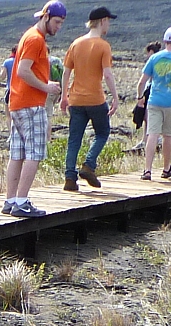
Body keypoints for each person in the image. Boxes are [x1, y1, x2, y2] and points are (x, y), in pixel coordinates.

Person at [1, 0, 65, 217]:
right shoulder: (36, 40)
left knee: (17, 153)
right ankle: (21, 202)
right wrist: (46, 87)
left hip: (17, 104)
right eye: (56, 22)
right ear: (45, 17)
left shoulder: (29, 36)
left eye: (61, 23)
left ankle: (10, 200)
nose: (58, 27)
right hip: (30, 104)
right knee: (35, 152)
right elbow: (23, 70)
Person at [59, 6, 119, 191]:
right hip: (95, 98)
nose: (108, 25)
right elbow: (107, 75)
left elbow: (66, 72)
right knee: (102, 132)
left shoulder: (75, 44)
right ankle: (89, 165)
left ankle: (70, 177)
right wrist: (115, 97)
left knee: (74, 139)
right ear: (102, 21)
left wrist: (64, 96)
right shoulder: (103, 45)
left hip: (76, 99)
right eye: (108, 21)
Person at [138, 27, 171, 181]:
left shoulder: (154, 58)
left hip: (154, 100)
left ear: (165, 41)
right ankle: (166, 168)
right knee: (168, 135)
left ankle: (147, 170)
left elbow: (142, 81)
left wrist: (139, 97)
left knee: (152, 134)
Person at [130, 41, 162, 131]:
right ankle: (145, 139)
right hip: (155, 90)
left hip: (151, 90)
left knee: (148, 116)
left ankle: (149, 139)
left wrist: (140, 96)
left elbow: (143, 81)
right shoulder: (161, 61)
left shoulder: (153, 62)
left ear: (151, 51)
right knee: (146, 116)